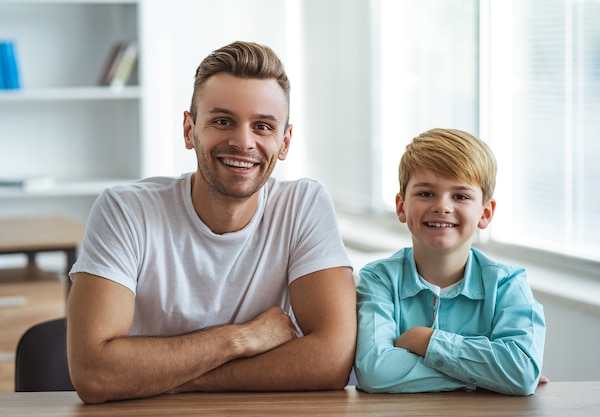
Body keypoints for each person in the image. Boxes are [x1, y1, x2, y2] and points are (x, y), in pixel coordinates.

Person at [67, 41, 356, 404]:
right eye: (222, 121)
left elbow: (332, 361)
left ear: (285, 142)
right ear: (189, 130)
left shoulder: (304, 205)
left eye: (263, 126)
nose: (243, 142)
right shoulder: (125, 210)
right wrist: (242, 339)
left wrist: (178, 379)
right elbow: (94, 373)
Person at [354, 128, 546, 395]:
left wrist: (426, 340)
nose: (442, 206)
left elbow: (521, 371)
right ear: (401, 206)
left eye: (460, 196)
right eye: (425, 194)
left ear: (485, 212)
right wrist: (487, 377)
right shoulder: (379, 279)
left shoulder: (507, 284)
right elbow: (376, 371)